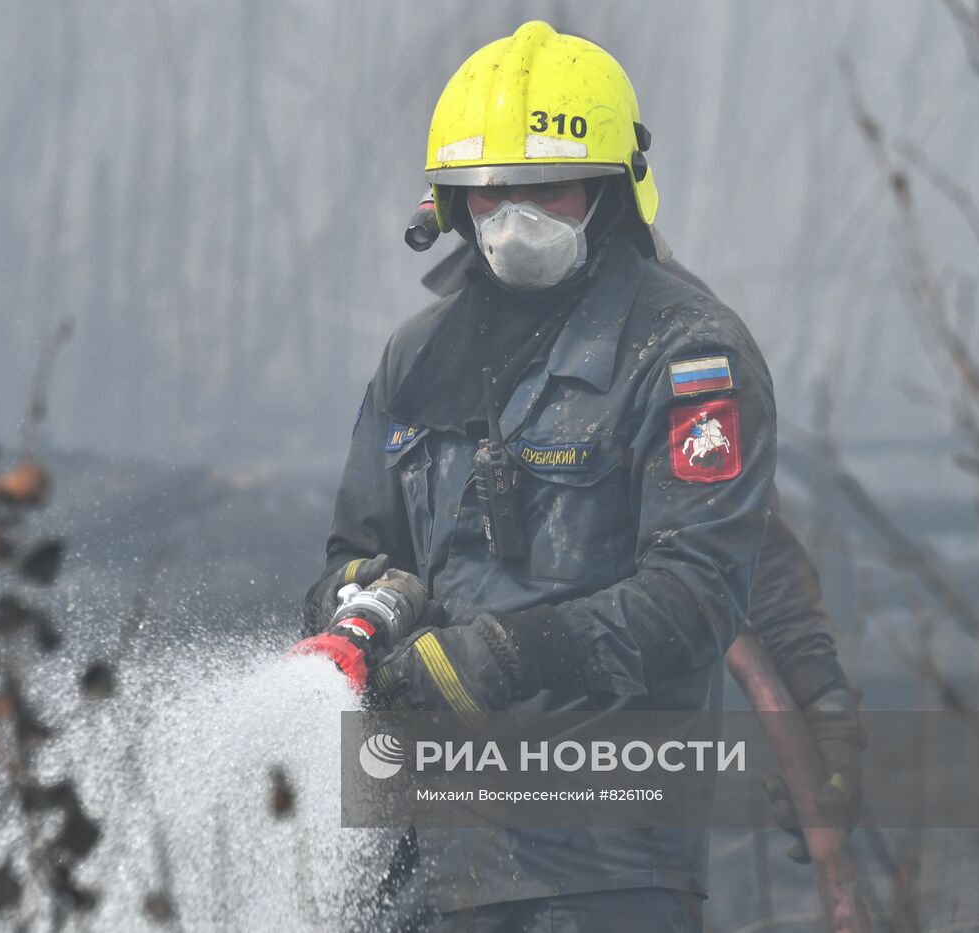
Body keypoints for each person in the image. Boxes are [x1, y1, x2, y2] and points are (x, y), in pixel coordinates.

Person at [301, 22, 860, 931]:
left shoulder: (683, 354)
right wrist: (361, 601)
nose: (511, 220)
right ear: (448, 203)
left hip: (600, 861)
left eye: (544, 192)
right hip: (412, 856)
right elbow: (353, 552)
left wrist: (504, 654)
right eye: (488, 195)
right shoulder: (417, 358)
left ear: (609, 193)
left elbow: (705, 583)